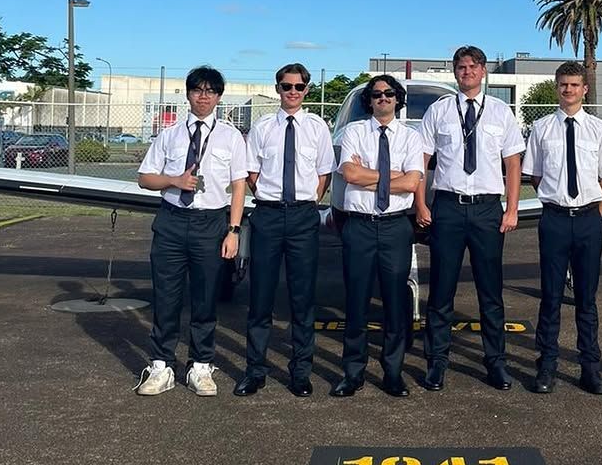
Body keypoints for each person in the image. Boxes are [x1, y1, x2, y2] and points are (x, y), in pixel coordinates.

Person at [415, 45, 525, 391]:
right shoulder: (439, 111)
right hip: (448, 207)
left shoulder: (500, 112)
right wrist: (421, 205)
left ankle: (496, 362)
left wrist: (511, 208)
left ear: (483, 71)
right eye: (461, 67)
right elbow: (421, 161)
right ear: (455, 72)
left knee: (490, 291)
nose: (467, 72)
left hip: (487, 209)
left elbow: (513, 163)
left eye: (473, 66)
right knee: (441, 289)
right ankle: (437, 361)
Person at [135, 66, 247, 397]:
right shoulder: (169, 135)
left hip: (210, 223)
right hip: (171, 221)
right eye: (197, 90)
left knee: (205, 297)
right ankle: (161, 365)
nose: (203, 96)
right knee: (166, 296)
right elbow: (145, 178)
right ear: (188, 94)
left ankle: (201, 365)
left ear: (219, 97)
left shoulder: (231, 137)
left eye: (210, 91)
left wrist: (234, 230)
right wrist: (174, 181)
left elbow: (239, 186)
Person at [233, 63, 335, 398]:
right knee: (260, 296)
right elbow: (252, 171)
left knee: (302, 298)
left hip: (303, 217)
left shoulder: (317, 128)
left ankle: (300, 372)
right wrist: (269, 196)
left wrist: (308, 201)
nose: (292, 92)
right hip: (269, 216)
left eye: (298, 87)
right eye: (286, 86)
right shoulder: (263, 127)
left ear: (307, 90)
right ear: (277, 88)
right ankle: (255, 371)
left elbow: (324, 173)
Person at [522, 60, 602, 395]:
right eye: (563, 84)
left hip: (589, 220)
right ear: (557, 88)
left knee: (586, 298)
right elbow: (535, 175)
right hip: (555, 220)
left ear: (584, 89)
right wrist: (558, 201)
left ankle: (590, 368)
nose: (568, 90)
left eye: (575, 85)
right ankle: (547, 365)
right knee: (550, 296)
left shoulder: (598, 129)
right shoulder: (541, 128)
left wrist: (596, 212)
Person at [331, 75, 424, 398]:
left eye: (389, 93)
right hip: (359, 225)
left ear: (397, 99)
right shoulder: (354, 132)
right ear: (368, 101)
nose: (383, 98)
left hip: (396, 226)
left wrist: (369, 177)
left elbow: (412, 183)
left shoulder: (411, 137)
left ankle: (393, 372)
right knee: (356, 301)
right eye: (376, 94)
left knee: (395, 302)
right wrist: (393, 176)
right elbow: (350, 174)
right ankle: (353, 372)